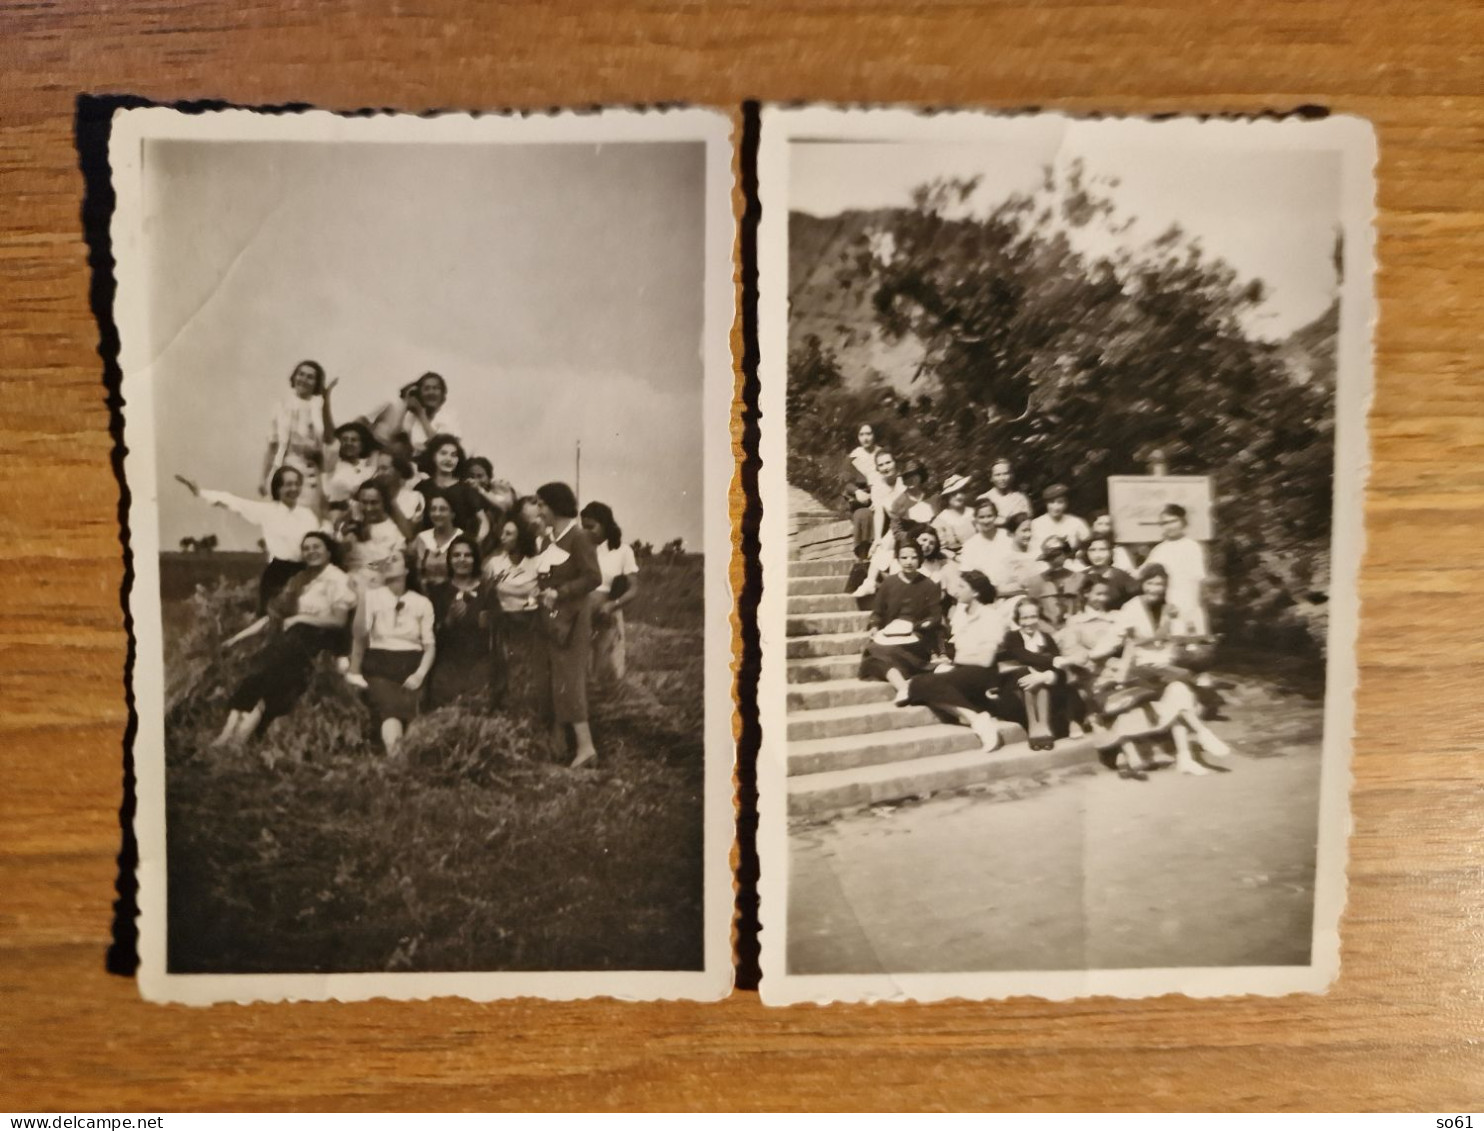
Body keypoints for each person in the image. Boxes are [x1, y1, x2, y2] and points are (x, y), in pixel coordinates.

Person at [210, 531, 357, 747]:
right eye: (306, 548)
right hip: (293, 639)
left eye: (316, 547)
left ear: (328, 552)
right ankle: (228, 733)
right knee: (262, 671)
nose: (311, 552)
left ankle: (238, 736)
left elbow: (338, 621)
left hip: (321, 639)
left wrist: (301, 618)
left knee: (267, 669)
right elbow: (274, 618)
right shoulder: (300, 579)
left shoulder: (338, 579)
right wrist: (236, 639)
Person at [1095, 563, 1231, 776]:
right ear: (1143, 584)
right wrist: (1093, 654)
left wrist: (1188, 647)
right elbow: (1115, 636)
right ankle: (1202, 733)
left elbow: (1177, 638)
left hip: (1165, 668)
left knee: (1180, 692)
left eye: (1160, 584)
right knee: (1180, 687)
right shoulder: (1131, 607)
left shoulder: (1171, 608)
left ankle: (1185, 758)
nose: (1155, 588)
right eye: (1151, 583)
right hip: (1139, 669)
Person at [175, 466, 323, 615]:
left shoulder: (308, 515)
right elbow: (233, 502)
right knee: (272, 623)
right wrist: (200, 492)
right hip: (279, 574)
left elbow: (319, 543)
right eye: (288, 484)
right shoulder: (268, 511)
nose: (294, 488)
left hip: (306, 573)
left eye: (297, 484)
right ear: (278, 489)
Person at [533, 482, 603, 768]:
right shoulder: (550, 540)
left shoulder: (579, 537)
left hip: (573, 617)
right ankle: (560, 744)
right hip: (553, 617)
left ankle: (586, 748)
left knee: (570, 679)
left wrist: (559, 593)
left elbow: (593, 577)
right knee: (556, 677)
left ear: (554, 505)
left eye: (541, 504)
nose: (538, 510)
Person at [903, 570, 1005, 751]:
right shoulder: (960, 613)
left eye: (961, 587)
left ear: (975, 593)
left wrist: (960, 657)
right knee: (919, 684)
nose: (956, 590)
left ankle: (978, 721)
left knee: (921, 684)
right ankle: (976, 718)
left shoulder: (991, 616)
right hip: (962, 670)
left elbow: (986, 660)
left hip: (983, 674)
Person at [346, 552, 435, 757]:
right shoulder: (372, 596)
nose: (387, 562)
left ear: (406, 570)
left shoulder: (421, 602)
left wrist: (420, 674)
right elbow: (359, 634)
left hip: (412, 664)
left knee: (414, 713)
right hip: (380, 663)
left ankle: (407, 758)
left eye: (394, 559)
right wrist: (362, 597)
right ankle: (396, 759)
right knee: (390, 710)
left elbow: (430, 646)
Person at [858, 541, 944, 704]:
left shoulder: (929, 585)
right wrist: (875, 625)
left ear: (920, 559)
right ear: (897, 559)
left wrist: (917, 626)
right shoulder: (889, 583)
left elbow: (935, 617)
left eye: (913, 557)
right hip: (889, 635)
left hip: (917, 637)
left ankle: (907, 683)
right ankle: (903, 687)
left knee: (883, 654)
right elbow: (877, 612)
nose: (909, 561)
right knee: (873, 653)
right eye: (904, 557)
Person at [426, 535, 502, 711]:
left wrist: (488, 620)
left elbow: (498, 622)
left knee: (477, 708)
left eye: (467, 555)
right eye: (456, 555)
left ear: (475, 559)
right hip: (447, 662)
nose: (462, 560)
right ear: (449, 559)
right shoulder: (438, 592)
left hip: (479, 662)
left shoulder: (486, 591)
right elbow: (431, 634)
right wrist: (449, 620)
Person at [996, 597, 1074, 750]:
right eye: (1024, 618)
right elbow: (1022, 655)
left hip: (1045, 691)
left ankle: (1043, 726)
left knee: (1039, 678)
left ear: (1039, 617)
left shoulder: (1047, 638)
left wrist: (1044, 676)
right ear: (1018, 619)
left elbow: (1060, 673)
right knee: (1028, 674)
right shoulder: (1012, 637)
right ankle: (1034, 726)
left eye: (1033, 617)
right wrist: (1053, 661)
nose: (1029, 622)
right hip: (1014, 690)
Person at [580, 501, 641, 690]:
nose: (587, 532)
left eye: (591, 527)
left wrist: (612, 605)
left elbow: (633, 589)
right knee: (582, 668)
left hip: (607, 614)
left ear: (605, 524)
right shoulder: (581, 549)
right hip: (581, 615)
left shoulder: (623, 551)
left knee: (604, 666)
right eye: (583, 527)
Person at [261, 360, 331, 514]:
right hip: (285, 466)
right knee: (282, 513)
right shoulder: (281, 405)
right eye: (301, 374)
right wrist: (263, 478)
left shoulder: (319, 408)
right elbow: (272, 445)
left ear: (316, 383)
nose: (304, 379)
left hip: (310, 472)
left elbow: (326, 443)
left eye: (310, 377)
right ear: (294, 377)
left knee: (308, 515)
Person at [1142, 503, 1210, 633]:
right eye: (1164, 523)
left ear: (1183, 521)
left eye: (1173, 521)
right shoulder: (1159, 549)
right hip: (1166, 602)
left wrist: (1192, 609)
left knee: (1192, 641)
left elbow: (1198, 581)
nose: (1169, 526)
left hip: (1189, 602)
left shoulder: (1193, 547)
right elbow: (1145, 575)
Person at [338, 480, 416, 592]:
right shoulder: (350, 528)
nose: (368, 508)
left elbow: (391, 564)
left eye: (374, 502)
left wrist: (366, 565)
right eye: (364, 502)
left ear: (384, 502)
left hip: (381, 588)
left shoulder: (394, 530)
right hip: (350, 588)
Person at [414, 434, 489, 544]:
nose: (449, 459)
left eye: (453, 455)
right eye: (443, 453)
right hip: (428, 547)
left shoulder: (466, 488)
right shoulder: (422, 487)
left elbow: (484, 521)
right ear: (433, 456)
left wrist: (475, 543)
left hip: (457, 549)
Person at [371, 371, 464, 456]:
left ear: (442, 393)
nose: (431, 392)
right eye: (426, 389)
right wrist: (406, 405)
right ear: (420, 394)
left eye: (436, 388)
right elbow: (392, 439)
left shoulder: (449, 416)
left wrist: (421, 415)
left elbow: (441, 447)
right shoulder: (412, 417)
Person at [321, 420, 380, 522]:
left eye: (353, 440)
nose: (349, 443)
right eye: (344, 439)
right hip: (334, 514)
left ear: (361, 446)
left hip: (360, 516)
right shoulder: (332, 464)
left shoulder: (367, 470)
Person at [845, 424, 885, 558]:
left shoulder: (882, 454)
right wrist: (856, 491)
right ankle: (865, 555)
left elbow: (890, 477)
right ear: (857, 437)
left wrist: (879, 497)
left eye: (868, 434)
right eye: (861, 435)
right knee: (863, 515)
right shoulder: (853, 457)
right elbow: (846, 482)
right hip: (863, 501)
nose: (865, 438)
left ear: (874, 435)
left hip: (883, 496)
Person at [1029, 535, 1083, 629]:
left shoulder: (1080, 578)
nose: (1054, 560)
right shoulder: (1037, 581)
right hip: (1047, 631)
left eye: (1058, 555)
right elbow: (1032, 612)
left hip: (1075, 629)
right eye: (1050, 557)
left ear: (1066, 554)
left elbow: (1083, 610)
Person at [992, 514, 1046, 606]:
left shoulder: (1038, 552)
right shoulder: (1006, 558)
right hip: (1020, 602)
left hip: (1043, 597)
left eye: (1029, 530)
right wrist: (1021, 589)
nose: (1028, 535)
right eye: (1024, 531)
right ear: (1012, 533)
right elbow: (1000, 589)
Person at [411, 495, 461, 590]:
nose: (437, 513)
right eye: (433, 509)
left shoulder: (463, 539)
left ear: (453, 514)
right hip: (424, 595)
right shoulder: (421, 538)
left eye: (442, 509)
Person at [1028, 483, 1091, 555]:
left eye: (1060, 502)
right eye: (1051, 502)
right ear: (1046, 504)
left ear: (1066, 504)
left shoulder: (1076, 522)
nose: (1056, 507)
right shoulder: (1035, 524)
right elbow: (1030, 550)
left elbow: (1088, 546)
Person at [1079, 536, 1138, 609]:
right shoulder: (1079, 577)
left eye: (1103, 550)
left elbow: (1134, 603)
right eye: (1092, 550)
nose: (1097, 555)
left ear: (1110, 552)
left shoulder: (1122, 577)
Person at [978, 458, 1031, 535]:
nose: (1002, 478)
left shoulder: (1021, 498)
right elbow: (981, 528)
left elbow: (1027, 524)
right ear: (991, 478)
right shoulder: (983, 499)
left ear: (1011, 476)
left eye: (1005, 474)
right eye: (997, 475)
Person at [958, 499, 1005, 580]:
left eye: (989, 516)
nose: (986, 521)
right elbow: (966, 573)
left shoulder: (1008, 537)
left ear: (996, 516)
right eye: (981, 517)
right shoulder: (970, 545)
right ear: (975, 519)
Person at [931, 474, 976, 558]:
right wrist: (954, 557)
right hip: (957, 560)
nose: (959, 496)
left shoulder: (974, 513)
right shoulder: (940, 521)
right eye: (954, 493)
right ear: (947, 496)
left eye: (961, 492)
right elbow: (939, 549)